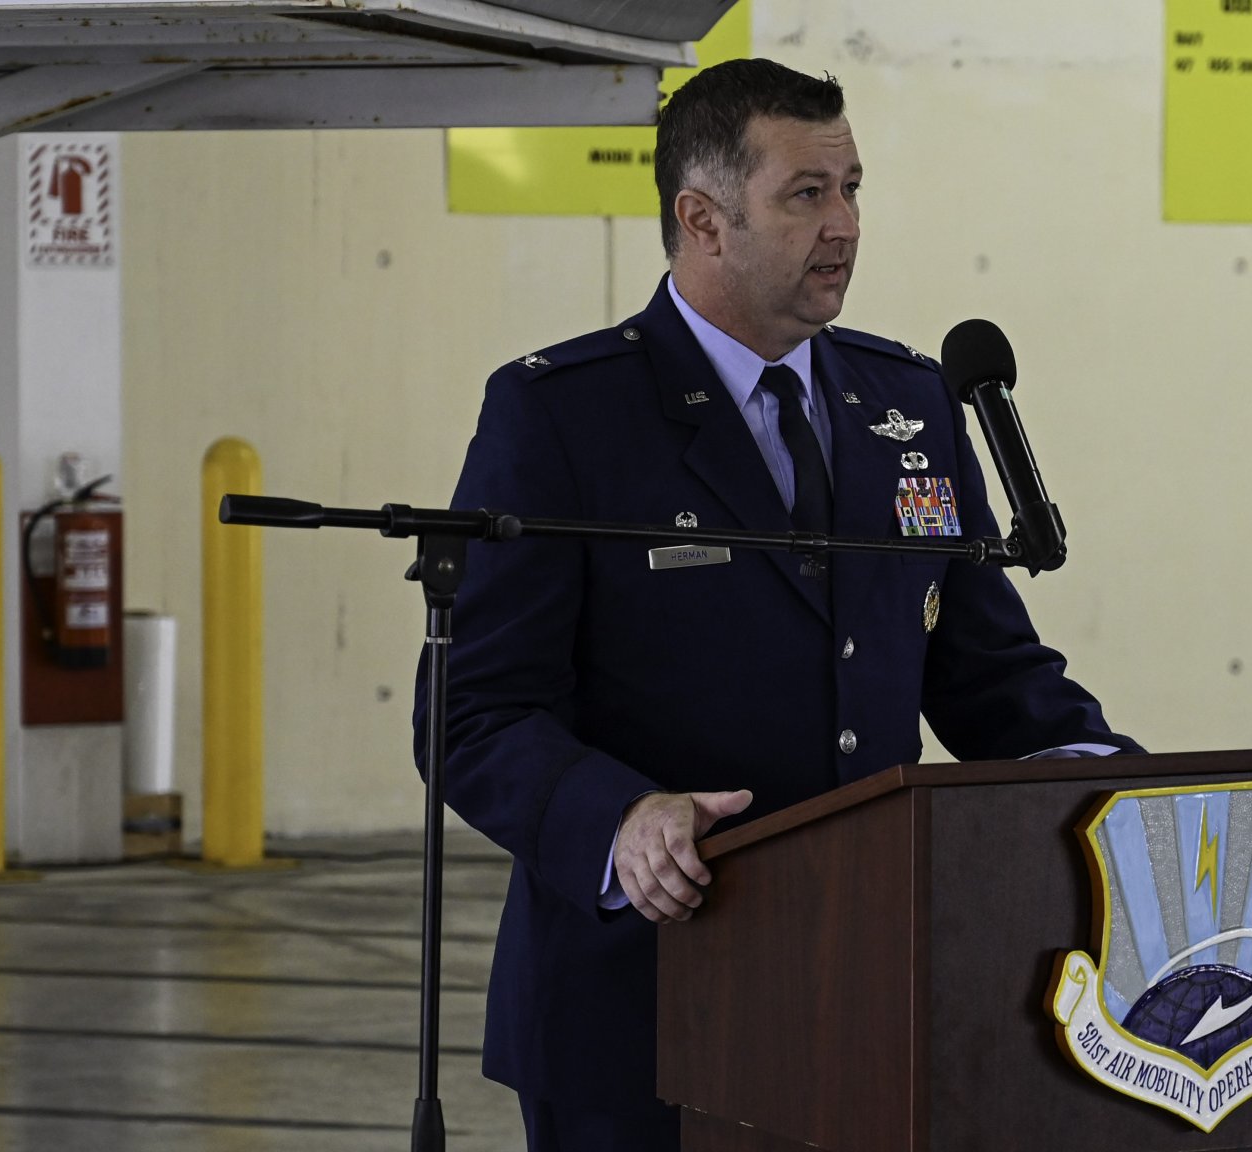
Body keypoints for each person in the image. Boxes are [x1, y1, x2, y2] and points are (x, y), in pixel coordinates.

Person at [415, 57, 1141, 1152]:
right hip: (638, 1005)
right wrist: (617, 821)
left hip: (862, 994)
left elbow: (986, 673)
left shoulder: (909, 404)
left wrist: (1100, 779)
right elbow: (470, 713)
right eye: (806, 194)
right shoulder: (563, 417)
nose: (844, 224)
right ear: (701, 219)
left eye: (852, 188)